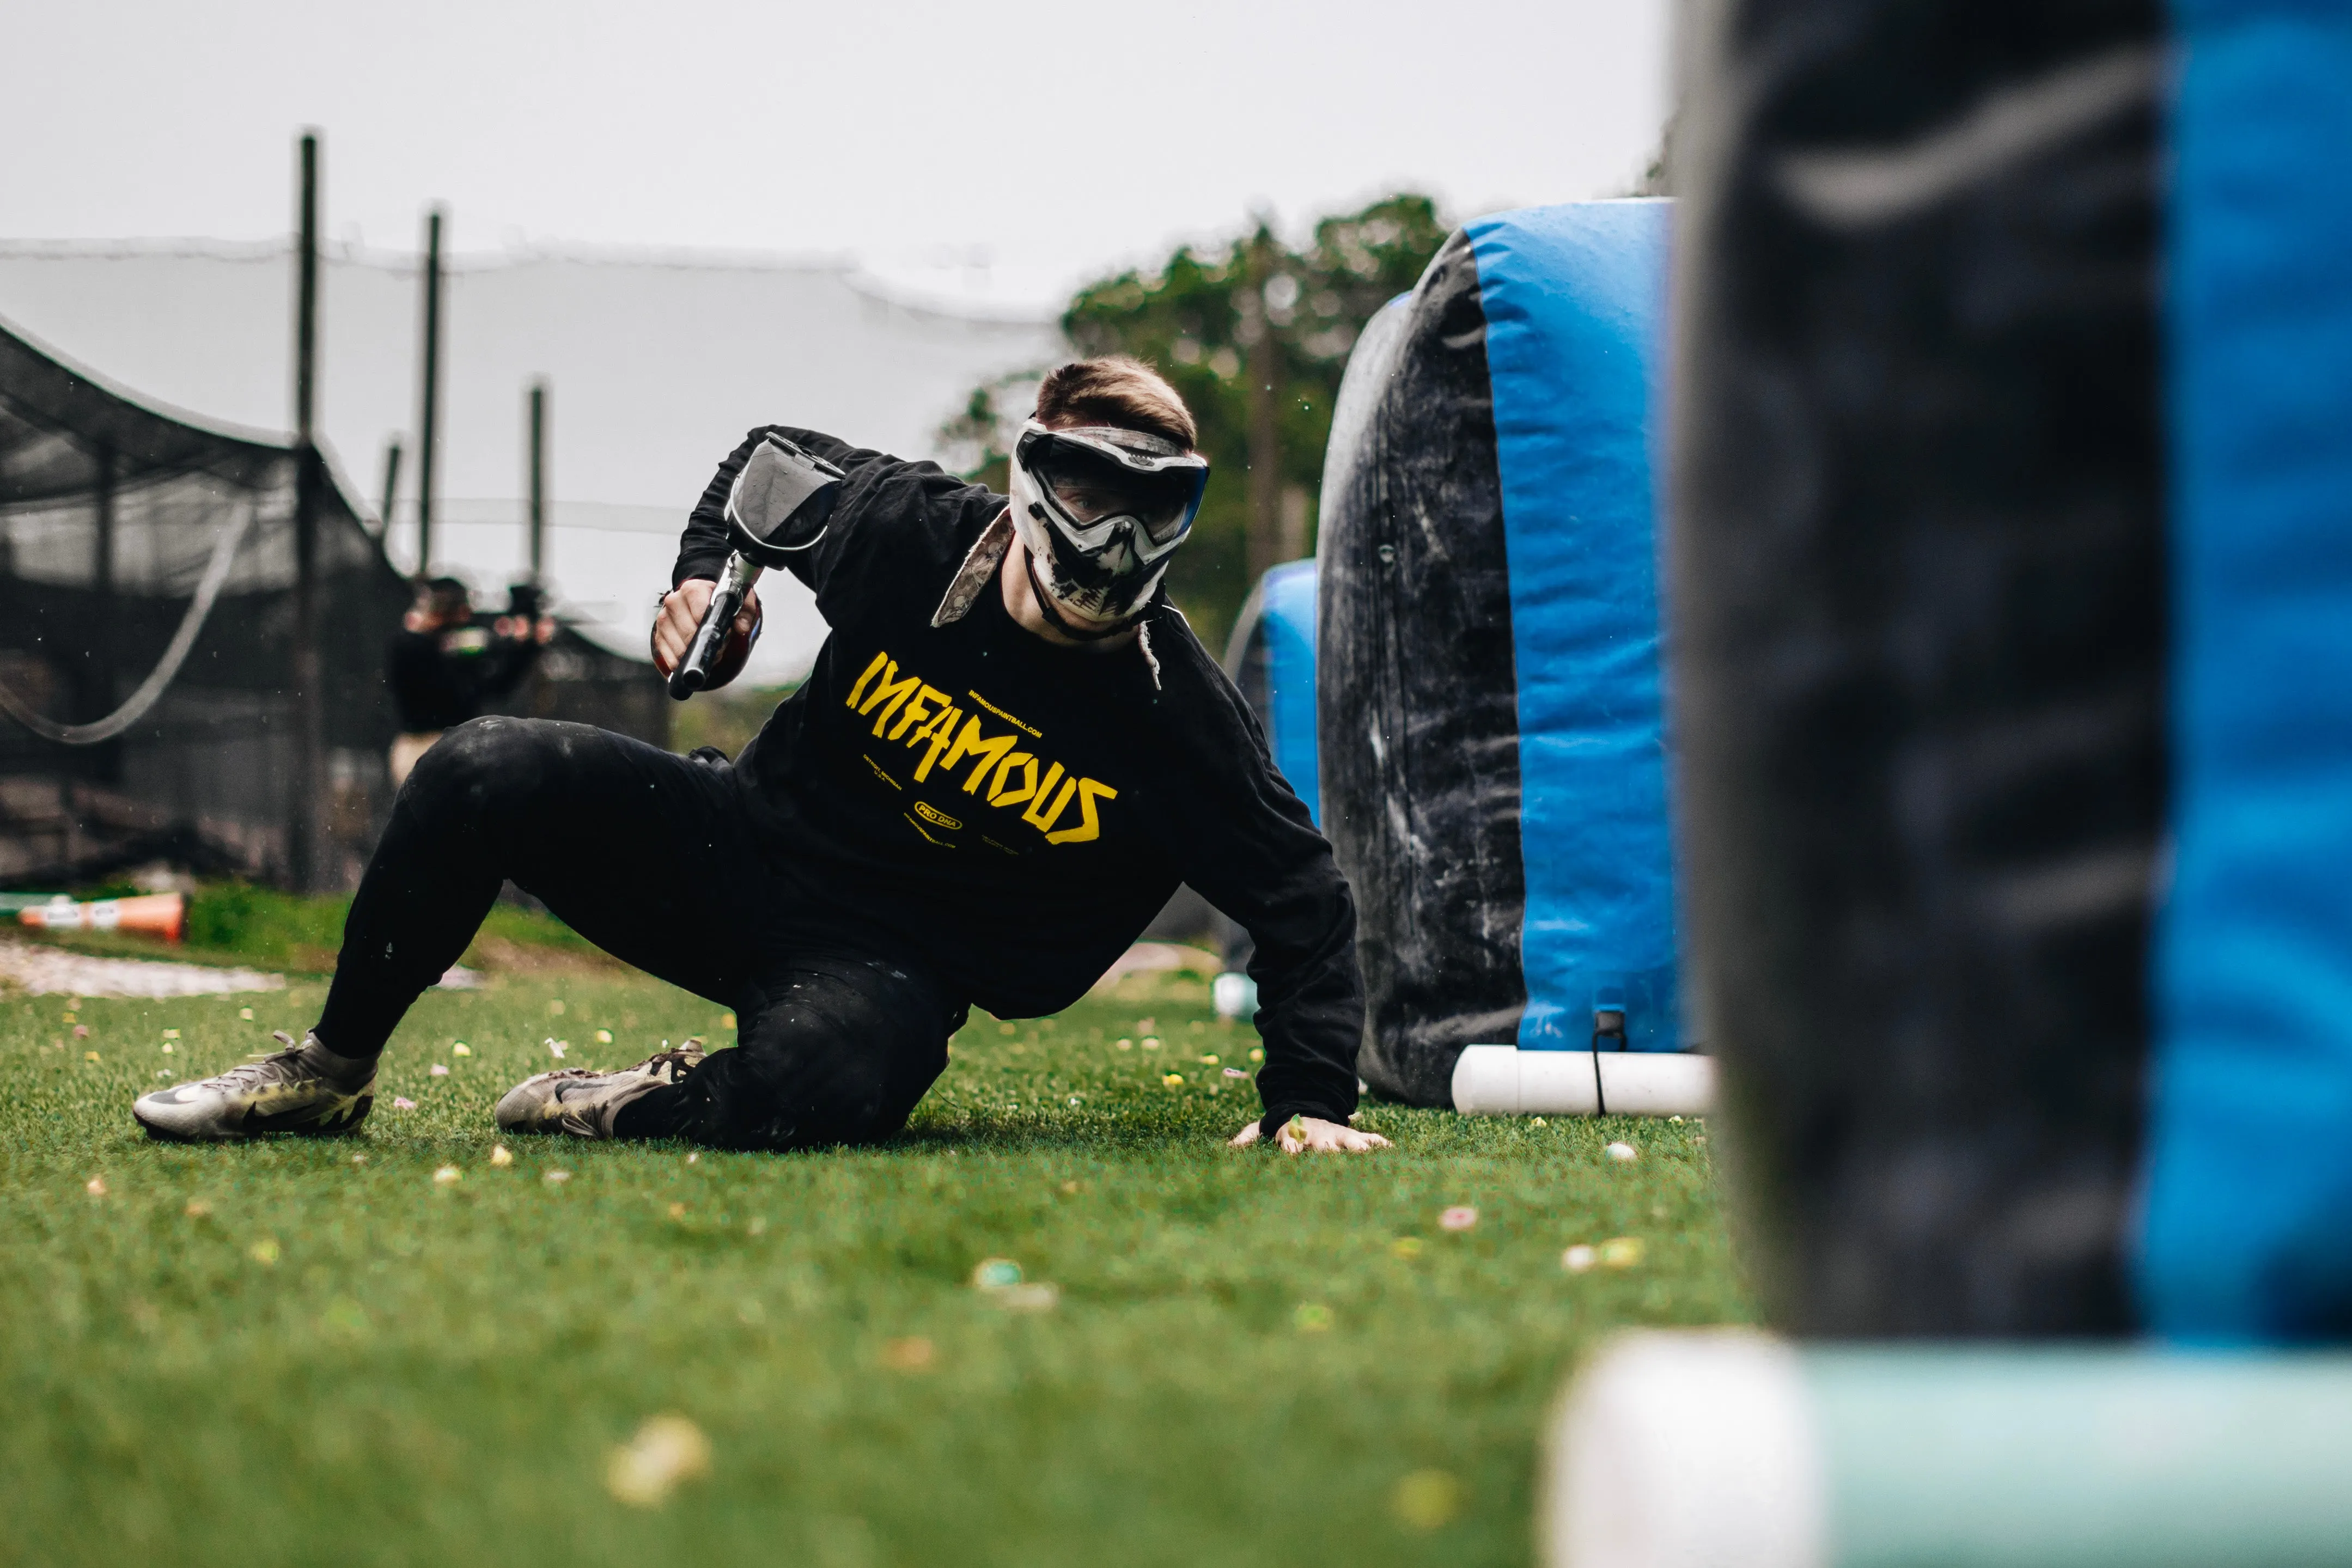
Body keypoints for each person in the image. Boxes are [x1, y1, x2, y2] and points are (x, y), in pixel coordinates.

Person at [132, 357, 1386, 1158]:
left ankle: (643, 1097)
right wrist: (707, 591)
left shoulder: (1171, 707)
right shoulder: (905, 531)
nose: (1113, 536)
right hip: (740, 846)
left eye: (1153, 503)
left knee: (826, 1082)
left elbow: (1301, 896)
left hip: (892, 966)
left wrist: (1309, 1103)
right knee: (479, 765)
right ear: (1024, 481)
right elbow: (763, 462)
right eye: (1085, 484)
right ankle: (331, 1070)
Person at [385, 576, 555, 787]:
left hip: (456, 744)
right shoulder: (413, 645)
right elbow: (441, 676)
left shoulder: (454, 645)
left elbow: (496, 686)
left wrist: (523, 649)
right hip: (421, 745)